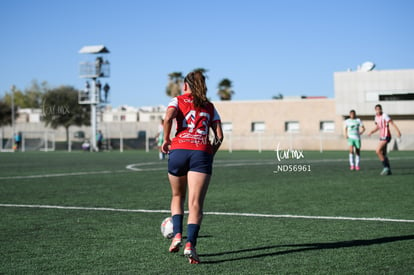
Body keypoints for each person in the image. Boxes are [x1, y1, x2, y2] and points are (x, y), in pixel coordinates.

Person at [162, 70, 224, 264]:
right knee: (195, 204)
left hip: (179, 150)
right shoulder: (210, 106)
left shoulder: (177, 100)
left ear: (186, 85)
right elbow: (220, 136)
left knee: (177, 196)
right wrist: (209, 153)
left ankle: (177, 235)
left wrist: (166, 139)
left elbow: (168, 117)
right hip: (201, 152)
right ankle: (191, 246)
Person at [367, 104, 401, 175]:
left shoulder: (385, 115)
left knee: (377, 151)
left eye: (379, 109)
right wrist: (371, 132)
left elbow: (392, 123)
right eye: (377, 109)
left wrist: (398, 131)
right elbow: (378, 127)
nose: (378, 110)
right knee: (383, 154)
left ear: (381, 109)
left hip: (386, 136)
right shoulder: (376, 117)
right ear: (375, 110)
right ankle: (389, 170)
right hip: (381, 136)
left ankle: (385, 168)